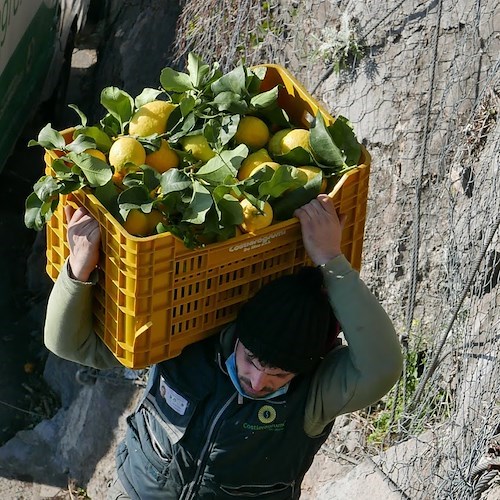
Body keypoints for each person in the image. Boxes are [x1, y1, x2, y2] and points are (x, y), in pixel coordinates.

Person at [44, 194, 403, 499]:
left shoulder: (314, 397)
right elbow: (68, 344)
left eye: (280, 374)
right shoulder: (185, 338)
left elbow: (382, 366)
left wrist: (330, 261)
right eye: (252, 360)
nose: (258, 381)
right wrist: (77, 271)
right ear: (237, 334)